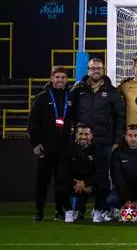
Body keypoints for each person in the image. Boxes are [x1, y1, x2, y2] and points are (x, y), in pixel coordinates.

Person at [67, 57, 123, 221]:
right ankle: (79, 209)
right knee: (79, 174)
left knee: (102, 177)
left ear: (103, 69)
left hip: (104, 142)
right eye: (93, 68)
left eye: (99, 68)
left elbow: (120, 117)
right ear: (88, 70)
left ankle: (99, 209)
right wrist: (73, 136)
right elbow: (71, 114)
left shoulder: (112, 92)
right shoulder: (78, 90)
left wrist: (117, 140)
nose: (96, 71)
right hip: (82, 143)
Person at [28, 66, 71, 222]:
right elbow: (32, 123)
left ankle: (60, 211)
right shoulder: (42, 97)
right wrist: (35, 144)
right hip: (45, 147)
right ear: (52, 79)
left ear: (67, 80)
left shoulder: (70, 97)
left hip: (64, 148)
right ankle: (38, 211)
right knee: (42, 181)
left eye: (63, 77)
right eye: (57, 77)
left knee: (61, 181)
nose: (60, 80)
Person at [58, 123, 109, 223]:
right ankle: (68, 211)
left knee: (104, 184)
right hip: (74, 184)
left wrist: (85, 183)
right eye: (80, 134)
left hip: (90, 184)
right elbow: (62, 173)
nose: (83, 137)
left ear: (91, 136)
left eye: (86, 134)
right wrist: (76, 184)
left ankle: (97, 211)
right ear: (76, 135)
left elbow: (101, 173)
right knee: (60, 187)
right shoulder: (67, 150)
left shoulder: (98, 151)